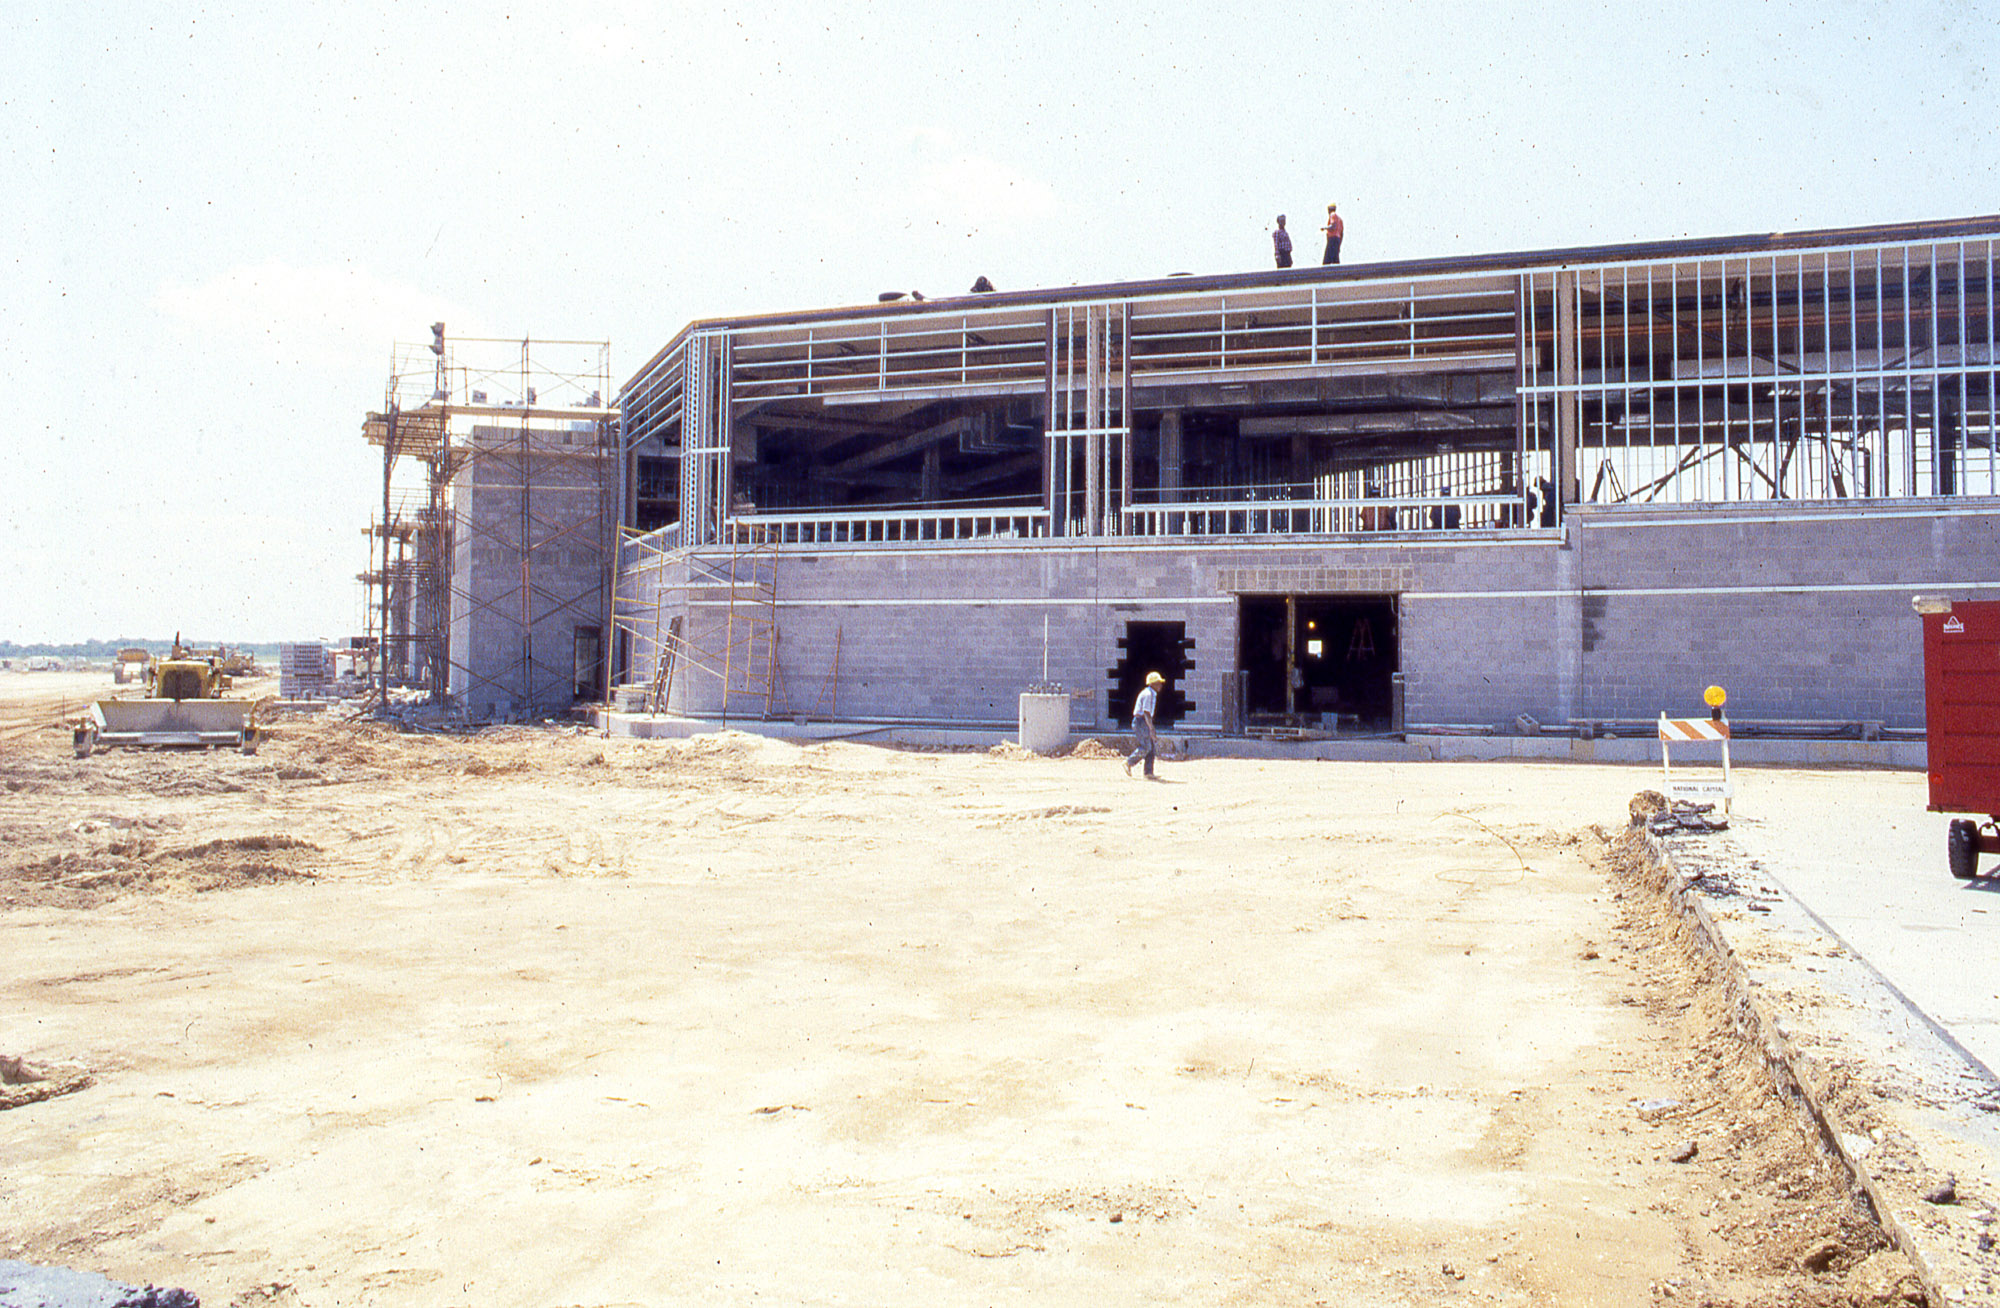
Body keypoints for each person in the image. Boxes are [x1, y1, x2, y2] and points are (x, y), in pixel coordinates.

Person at [1124, 671, 1165, 779]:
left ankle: (1148, 773)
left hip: (1143, 721)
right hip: (1141, 721)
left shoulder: (1151, 693)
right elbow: (1146, 713)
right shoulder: (1148, 694)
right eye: (1158, 683)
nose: (1160, 685)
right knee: (1146, 747)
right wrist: (1151, 728)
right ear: (1152, 684)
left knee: (1151, 748)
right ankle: (1129, 762)